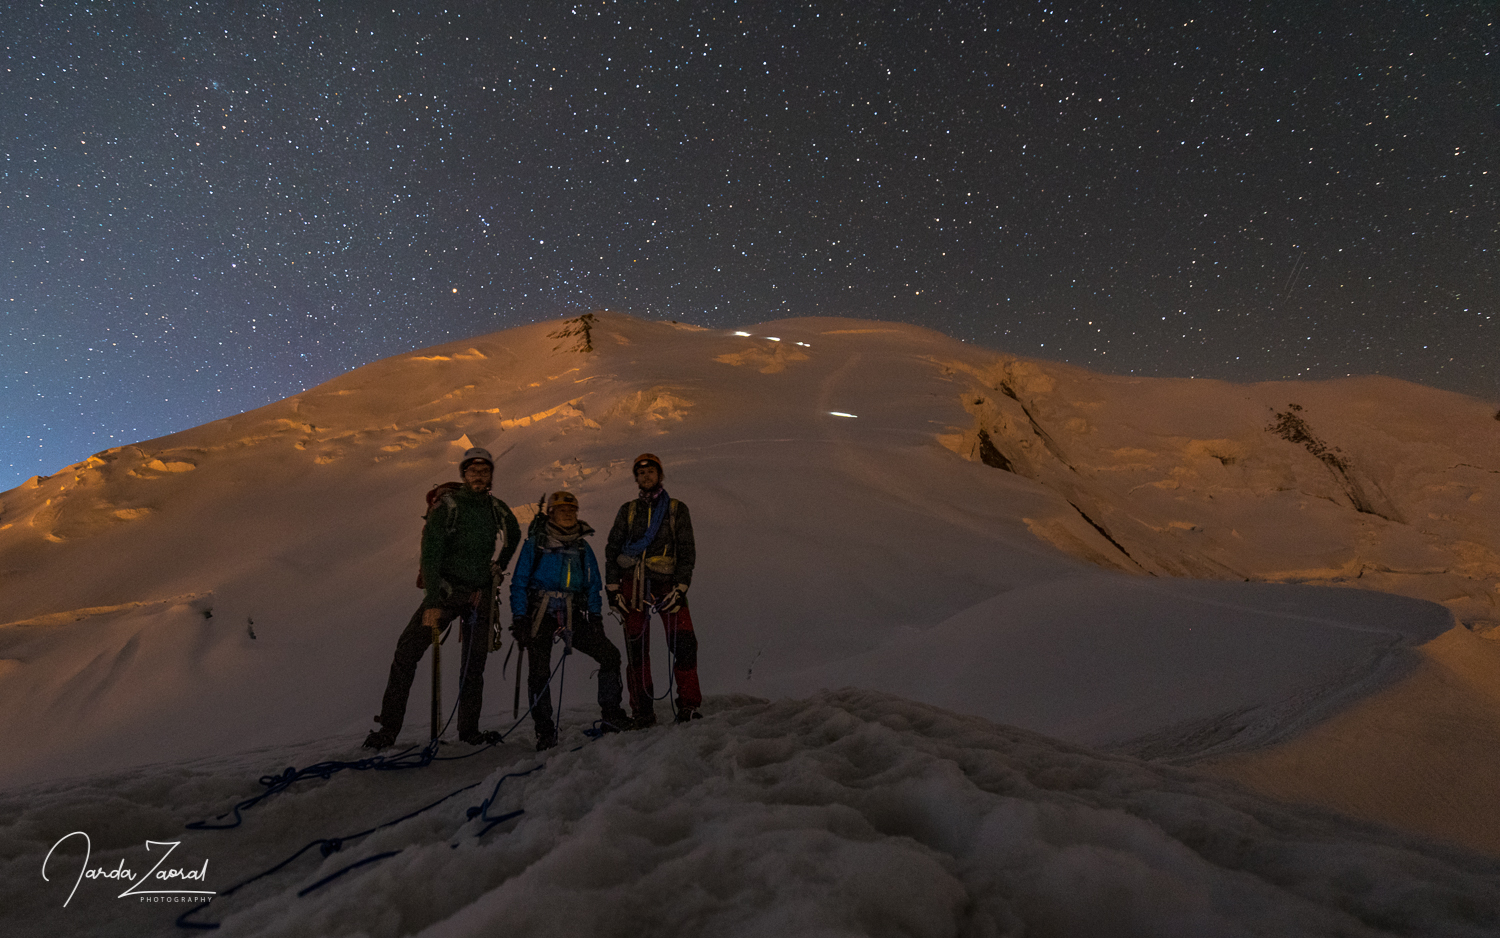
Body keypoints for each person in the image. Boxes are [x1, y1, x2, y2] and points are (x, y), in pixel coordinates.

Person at [364, 447, 521, 750]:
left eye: (484, 471)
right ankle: (391, 729)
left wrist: (500, 565)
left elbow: (513, 533)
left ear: (490, 476)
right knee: (409, 652)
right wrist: (433, 600)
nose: (478, 476)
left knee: (467, 664)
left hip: (474, 594)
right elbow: (431, 554)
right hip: (450, 594)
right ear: (464, 474)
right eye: (473, 471)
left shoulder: (493, 507)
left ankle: (462, 731)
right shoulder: (450, 505)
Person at [510, 490, 630, 750]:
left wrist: (595, 616)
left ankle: (611, 715)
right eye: (562, 510)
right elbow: (518, 583)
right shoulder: (536, 544)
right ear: (551, 513)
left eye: (572, 510)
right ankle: (544, 730)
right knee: (539, 671)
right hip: (540, 612)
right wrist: (520, 617)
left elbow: (593, 585)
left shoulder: (581, 546)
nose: (568, 514)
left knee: (609, 655)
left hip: (571, 611)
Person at [605, 453, 703, 727]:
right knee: (637, 651)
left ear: (660, 475)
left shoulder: (676, 509)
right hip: (633, 587)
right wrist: (613, 589)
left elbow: (686, 549)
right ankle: (642, 711)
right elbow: (612, 549)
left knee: (684, 645)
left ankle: (689, 706)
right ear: (636, 478)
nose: (646, 476)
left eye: (650, 471)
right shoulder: (628, 511)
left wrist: (682, 586)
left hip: (667, 586)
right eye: (641, 472)